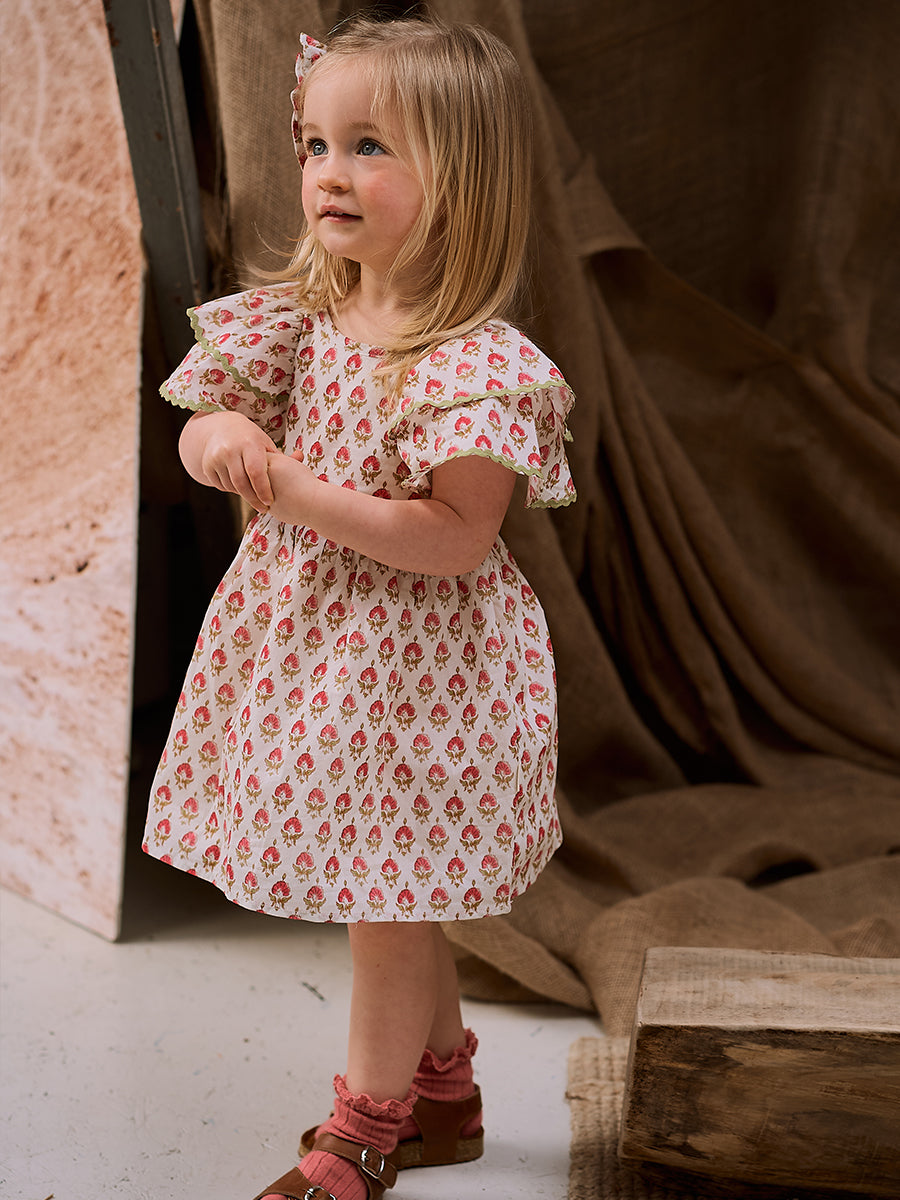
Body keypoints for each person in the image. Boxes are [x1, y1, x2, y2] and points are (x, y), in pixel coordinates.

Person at [142, 14, 576, 1200]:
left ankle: (364, 1132)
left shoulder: (472, 364)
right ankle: (444, 1096)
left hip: (417, 667)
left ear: (460, 180)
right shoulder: (303, 317)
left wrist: (290, 489)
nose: (329, 172)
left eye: (370, 146)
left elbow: (456, 537)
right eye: (316, 144)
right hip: (313, 646)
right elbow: (206, 424)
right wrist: (218, 442)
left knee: (387, 896)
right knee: (392, 884)